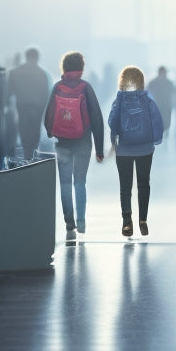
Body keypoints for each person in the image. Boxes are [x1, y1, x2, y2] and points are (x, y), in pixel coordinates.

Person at [43, 51, 105, 242]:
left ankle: (69, 223)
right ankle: (82, 221)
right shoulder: (85, 88)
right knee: (79, 182)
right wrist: (100, 149)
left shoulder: (57, 87)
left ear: (64, 68)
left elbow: (48, 116)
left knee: (64, 183)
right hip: (83, 143)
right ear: (81, 68)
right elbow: (97, 119)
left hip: (62, 143)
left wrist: (51, 132)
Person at [108, 66, 164, 238]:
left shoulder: (119, 98)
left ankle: (126, 222)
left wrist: (114, 140)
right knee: (143, 184)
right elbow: (157, 120)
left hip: (124, 149)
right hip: (145, 148)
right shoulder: (147, 98)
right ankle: (143, 220)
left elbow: (112, 121)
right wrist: (155, 139)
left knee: (125, 187)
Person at [7, 47, 50, 159]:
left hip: (22, 109)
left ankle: (27, 159)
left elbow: (9, 93)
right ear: (37, 58)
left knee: (24, 137)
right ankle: (32, 161)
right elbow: (46, 94)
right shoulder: (42, 74)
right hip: (37, 110)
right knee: (34, 138)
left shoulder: (15, 72)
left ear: (26, 57)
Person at [147, 66, 175, 140]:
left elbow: (147, 92)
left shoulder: (153, 82)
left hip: (160, 105)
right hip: (164, 105)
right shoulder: (169, 83)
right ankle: (164, 135)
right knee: (165, 122)